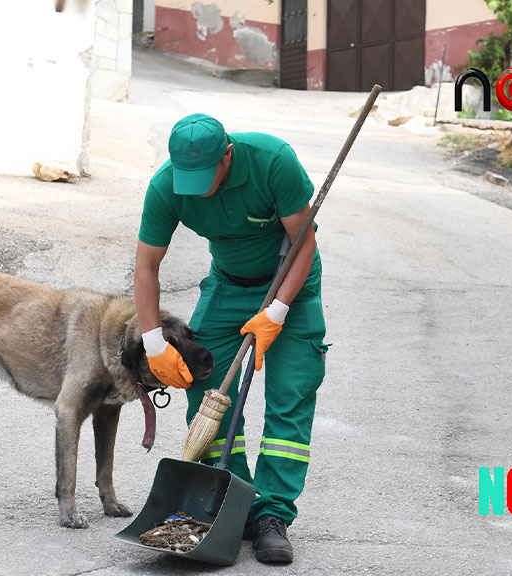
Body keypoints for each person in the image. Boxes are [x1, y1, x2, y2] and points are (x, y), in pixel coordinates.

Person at [133, 113, 327, 564]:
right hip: (227, 285)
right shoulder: (167, 186)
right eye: (189, 178)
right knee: (204, 384)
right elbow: (146, 268)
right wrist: (155, 342)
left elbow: (305, 243)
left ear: (228, 155)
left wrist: (276, 311)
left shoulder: (272, 161)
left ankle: (272, 515)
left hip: (289, 285)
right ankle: (233, 502)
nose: (197, 188)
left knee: (291, 394)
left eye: (206, 177)